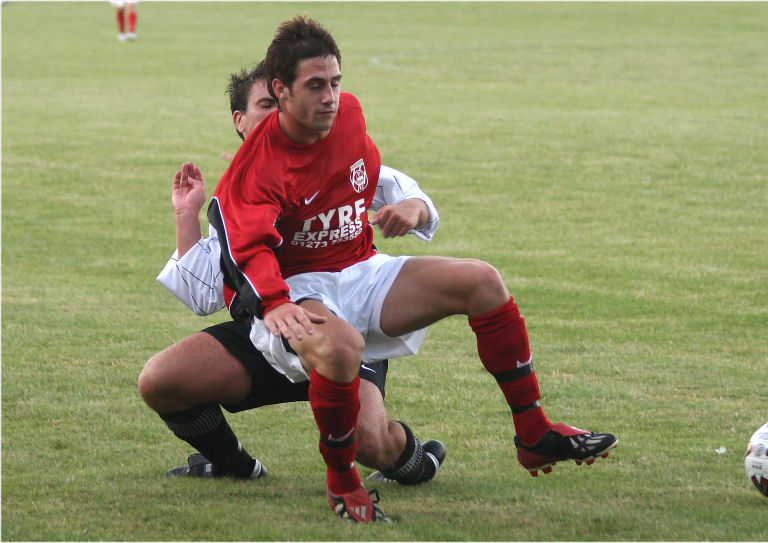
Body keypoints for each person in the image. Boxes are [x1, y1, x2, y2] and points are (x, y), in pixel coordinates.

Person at [209, 16, 618, 524]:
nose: (331, 97)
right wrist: (274, 301)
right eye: (315, 86)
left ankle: (534, 433)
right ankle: (343, 484)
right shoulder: (256, 166)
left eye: (335, 82)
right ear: (280, 90)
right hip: (300, 288)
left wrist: (410, 208)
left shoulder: (350, 115)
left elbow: (374, 178)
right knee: (340, 351)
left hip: (360, 267)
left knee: (482, 281)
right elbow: (245, 249)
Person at [139, 62, 444, 490]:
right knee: (161, 381)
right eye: (266, 104)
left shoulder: (334, 156)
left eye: (281, 102)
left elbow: (407, 192)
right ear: (239, 120)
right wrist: (186, 214)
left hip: (342, 329)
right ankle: (235, 466)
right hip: (269, 333)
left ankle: (412, 462)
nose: (278, 112)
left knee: (370, 443)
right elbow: (201, 294)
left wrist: (416, 209)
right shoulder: (237, 189)